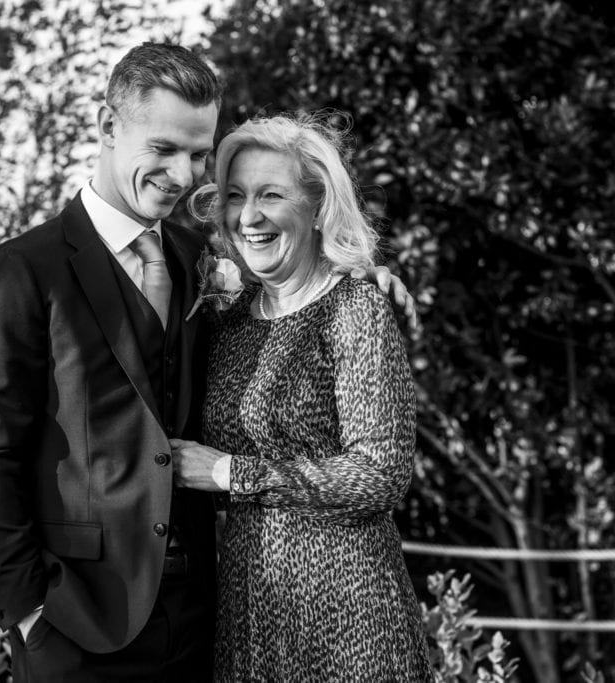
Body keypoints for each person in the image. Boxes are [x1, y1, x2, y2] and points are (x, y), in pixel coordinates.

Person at [0, 44, 413, 682]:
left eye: (198, 154)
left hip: (205, 622)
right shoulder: (25, 270)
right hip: (77, 623)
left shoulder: (197, 258)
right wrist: (28, 609)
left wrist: (361, 280)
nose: (182, 172)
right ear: (109, 126)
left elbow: (295, 293)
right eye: (163, 149)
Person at [171, 113, 433, 681]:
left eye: (271, 194)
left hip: (348, 618)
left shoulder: (355, 309)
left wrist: (231, 474)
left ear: (317, 207)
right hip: (249, 616)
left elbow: (381, 473)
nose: (250, 215)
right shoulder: (233, 321)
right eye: (236, 196)